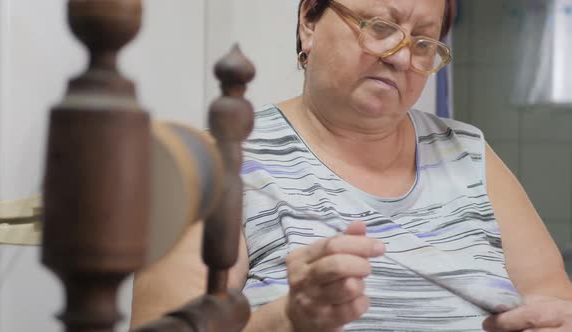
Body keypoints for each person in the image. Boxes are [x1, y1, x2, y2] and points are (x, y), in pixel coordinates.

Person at [131, 0, 572, 331]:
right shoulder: (223, 160)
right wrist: (288, 318)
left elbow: (554, 299)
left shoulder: (468, 153)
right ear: (308, 22)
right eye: (380, 27)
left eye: (423, 42)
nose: (401, 56)